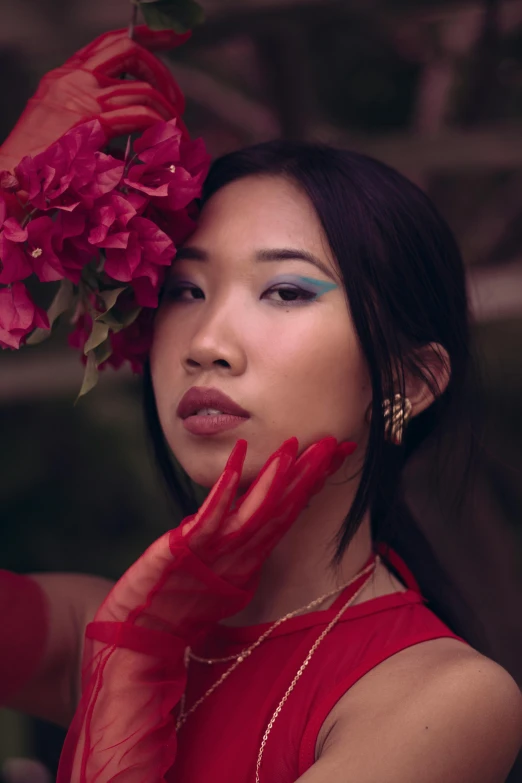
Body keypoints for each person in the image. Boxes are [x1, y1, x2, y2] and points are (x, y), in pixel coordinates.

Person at [1, 27, 521, 783]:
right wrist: (10, 203)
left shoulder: (441, 697)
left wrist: (132, 677)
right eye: (184, 290)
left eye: (286, 291)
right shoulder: (101, 628)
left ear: (407, 381)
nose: (206, 341)